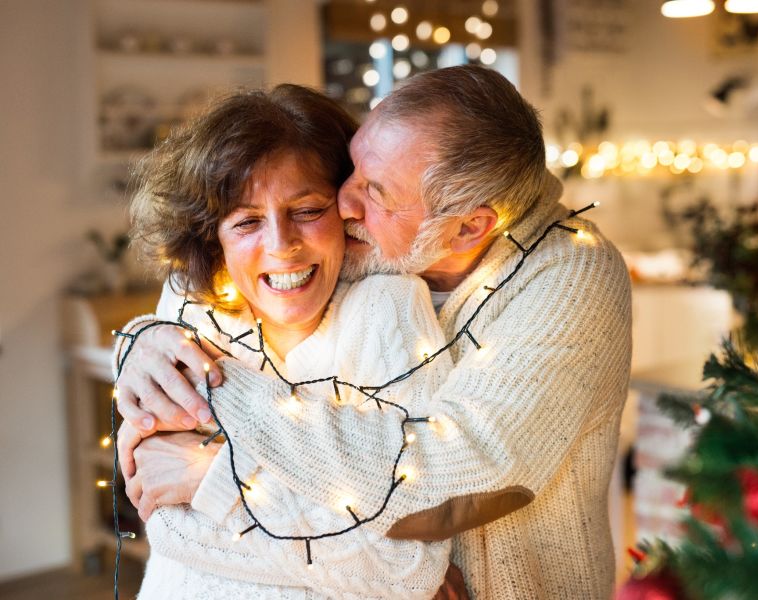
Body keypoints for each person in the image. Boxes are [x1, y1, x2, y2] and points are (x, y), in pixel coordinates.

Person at [117, 65, 632, 599]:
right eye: (354, 169)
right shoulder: (376, 243)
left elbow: (452, 472)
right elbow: (217, 269)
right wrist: (144, 340)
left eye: (377, 191)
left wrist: (213, 406)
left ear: (468, 226)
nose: (344, 205)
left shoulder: (568, 275)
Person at [117, 85, 463, 599]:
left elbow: (402, 566)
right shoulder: (190, 305)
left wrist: (214, 481)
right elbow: (168, 529)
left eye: (307, 210)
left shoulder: (386, 311)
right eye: (247, 221)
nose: (282, 246)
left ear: (348, 207)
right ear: (212, 235)